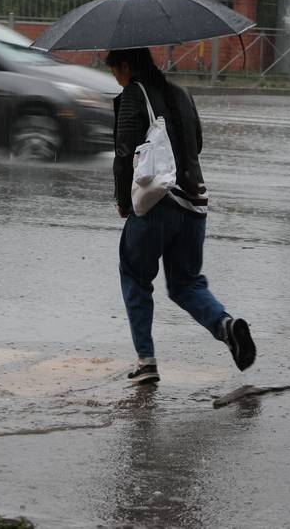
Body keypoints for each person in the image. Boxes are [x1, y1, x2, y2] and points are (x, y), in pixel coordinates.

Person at [108, 48, 256, 384]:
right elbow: (196, 145)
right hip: (195, 205)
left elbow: (124, 154)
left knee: (134, 275)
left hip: (157, 203)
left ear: (126, 66)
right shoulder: (182, 93)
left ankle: (146, 361)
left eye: (114, 72)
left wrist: (123, 201)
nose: (115, 79)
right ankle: (226, 326)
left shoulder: (134, 94)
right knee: (186, 284)